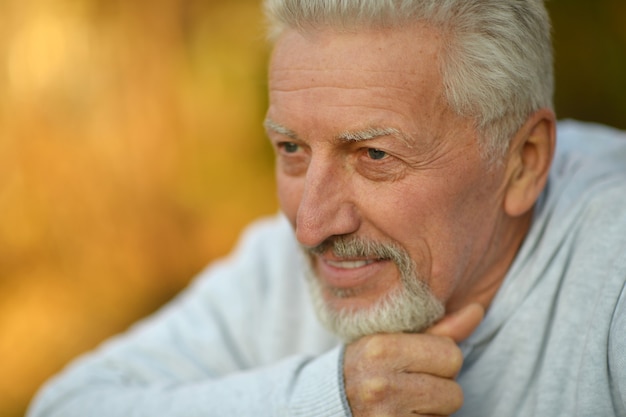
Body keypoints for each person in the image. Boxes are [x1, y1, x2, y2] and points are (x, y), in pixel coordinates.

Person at [28, 0, 626, 416]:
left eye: (373, 154)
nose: (310, 226)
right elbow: (66, 407)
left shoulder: (613, 267)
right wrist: (324, 401)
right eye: (291, 148)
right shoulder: (277, 267)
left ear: (522, 162)